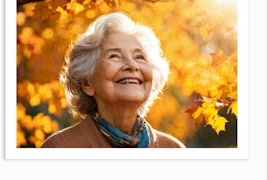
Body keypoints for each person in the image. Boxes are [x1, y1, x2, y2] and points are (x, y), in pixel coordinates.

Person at [41, 12, 185, 148]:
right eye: (114, 56)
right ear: (87, 83)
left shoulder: (173, 149)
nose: (132, 66)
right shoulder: (60, 147)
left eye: (139, 57)